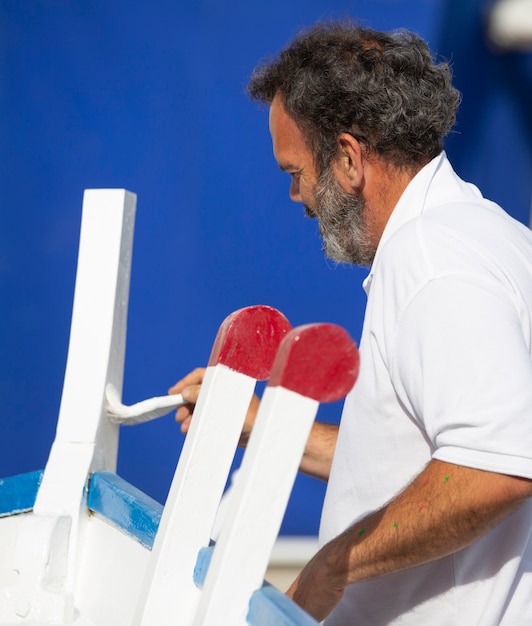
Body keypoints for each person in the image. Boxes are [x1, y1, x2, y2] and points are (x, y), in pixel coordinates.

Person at [170, 22, 532, 625]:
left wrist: (334, 564)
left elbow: (499, 464)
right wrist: (266, 427)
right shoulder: (489, 238)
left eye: (295, 172)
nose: (296, 197)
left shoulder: (431, 258)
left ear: (347, 157)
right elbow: (425, 460)